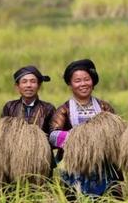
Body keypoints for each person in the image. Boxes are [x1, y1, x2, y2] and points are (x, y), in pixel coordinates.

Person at [49, 59, 118, 196]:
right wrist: (81, 138)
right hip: (75, 167)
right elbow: (53, 136)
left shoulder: (104, 107)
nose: (83, 84)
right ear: (70, 84)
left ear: (93, 81)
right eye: (77, 80)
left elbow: (117, 133)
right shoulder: (64, 109)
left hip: (104, 166)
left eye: (86, 79)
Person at [1, 65, 56, 133]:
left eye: (33, 81)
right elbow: (2, 133)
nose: (28, 85)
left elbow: (53, 134)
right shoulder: (10, 107)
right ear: (17, 86)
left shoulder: (48, 108)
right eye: (24, 82)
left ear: (39, 86)